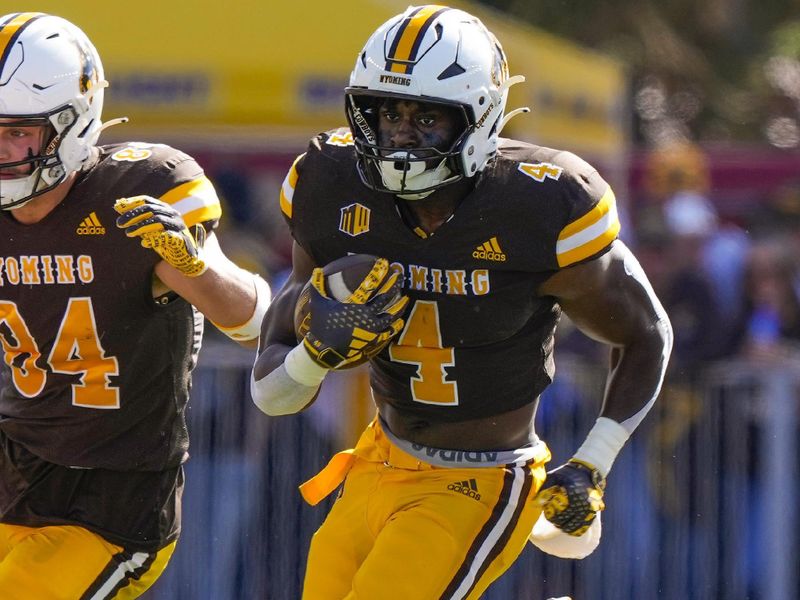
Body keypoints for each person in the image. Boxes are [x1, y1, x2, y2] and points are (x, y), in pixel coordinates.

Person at [251, 5, 672, 599]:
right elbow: (270, 394)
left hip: (478, 478)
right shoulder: (330, 182)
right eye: (389, 112)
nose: (401, 133)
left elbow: (646, 331)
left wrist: (591, 462)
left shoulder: (543, 203)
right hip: (378, 459)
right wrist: (314, 357)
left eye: (428, 117)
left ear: (480, 119)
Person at [0, 13, 270, 599]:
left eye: (16, 132)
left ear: (72, 125)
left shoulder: (138, 192)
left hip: (109, 506)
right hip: (15, 479)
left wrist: (195, 267)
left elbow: (254, 320)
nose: (1, 150)